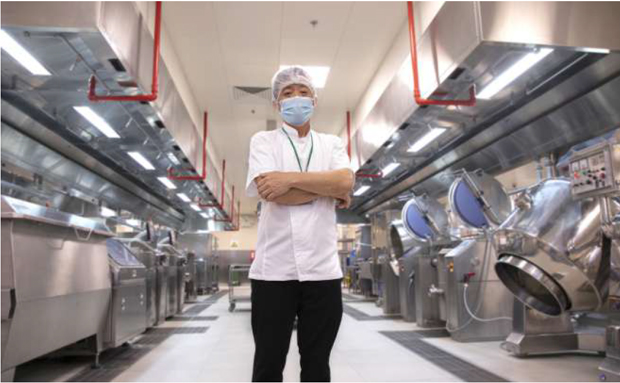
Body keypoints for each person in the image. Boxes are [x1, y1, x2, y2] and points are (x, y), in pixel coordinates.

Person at [245, 66, 355, 382]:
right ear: (277, 104)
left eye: (303, 92)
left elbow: (345, 181)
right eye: (287, 94)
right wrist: (326, 188)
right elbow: (272, 192)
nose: (296, 99)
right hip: (273, 272)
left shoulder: (331, 143)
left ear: (314, 100)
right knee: (267, 364)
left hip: (322, 272)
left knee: (318, 365)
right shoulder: (263, 141)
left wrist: (289, 180)